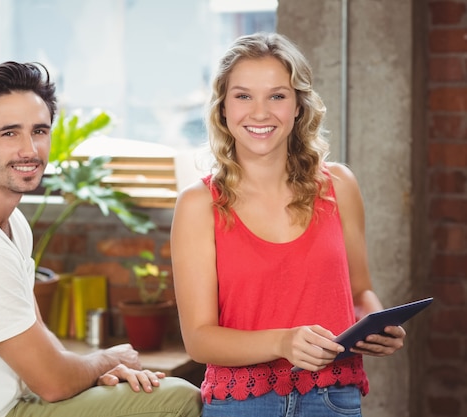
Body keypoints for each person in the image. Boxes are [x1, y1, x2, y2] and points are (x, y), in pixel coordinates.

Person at [0, 61, 201, 417]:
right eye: (9, 133)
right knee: (178, 401)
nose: (30, 150)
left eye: (39, 131)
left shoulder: (11, 222)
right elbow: (53, 383)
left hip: (15, 401)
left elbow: (39, 340)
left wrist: (96, 372)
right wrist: (107, 358)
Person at [170, 32, 406, 417]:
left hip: (333, 398)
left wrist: (374, 327)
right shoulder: (198, 205)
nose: (260, 113)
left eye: (277, 96)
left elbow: (360, 294)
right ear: (223, 108)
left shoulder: (339, 186)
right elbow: (199, 339)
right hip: (241, 406)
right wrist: (282, 342)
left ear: (298, 105)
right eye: (243, 96)